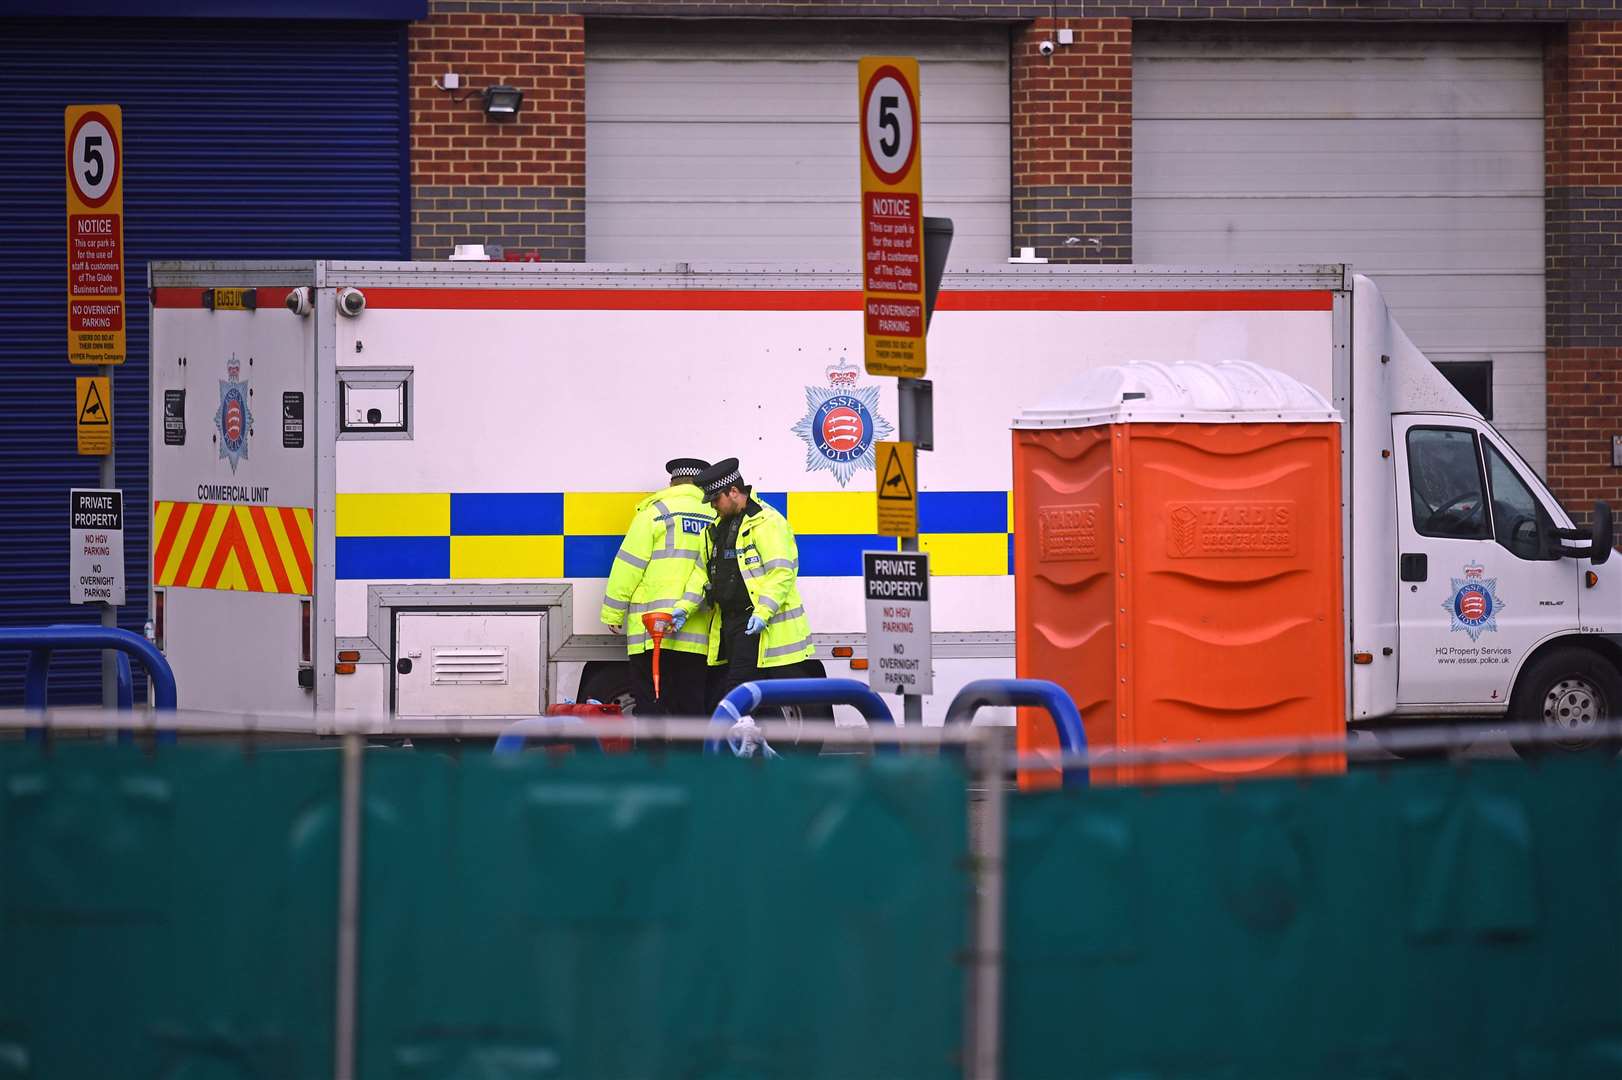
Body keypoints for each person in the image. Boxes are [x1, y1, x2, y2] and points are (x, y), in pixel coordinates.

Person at [669, 458, 815, 710]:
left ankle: (733, 747)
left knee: (737, 696)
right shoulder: (716, 529)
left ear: (734, 492)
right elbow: (702, 575)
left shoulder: (767, 522)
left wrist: (762, 612)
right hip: (731, 626)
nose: (713, 506)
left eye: (716, 499)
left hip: (757, 626)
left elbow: (781, 572)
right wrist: (684, 607)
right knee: (754, 701)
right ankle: (758, 747)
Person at [599, 458, 716, 715]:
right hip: (695, 633)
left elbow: (629, 565)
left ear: (672, 482)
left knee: (652, 705)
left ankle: (654, 756)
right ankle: (690, 755)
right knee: (691, 706)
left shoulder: (655, 512)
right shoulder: (715, 514)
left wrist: (613, 612)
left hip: (651, 632)